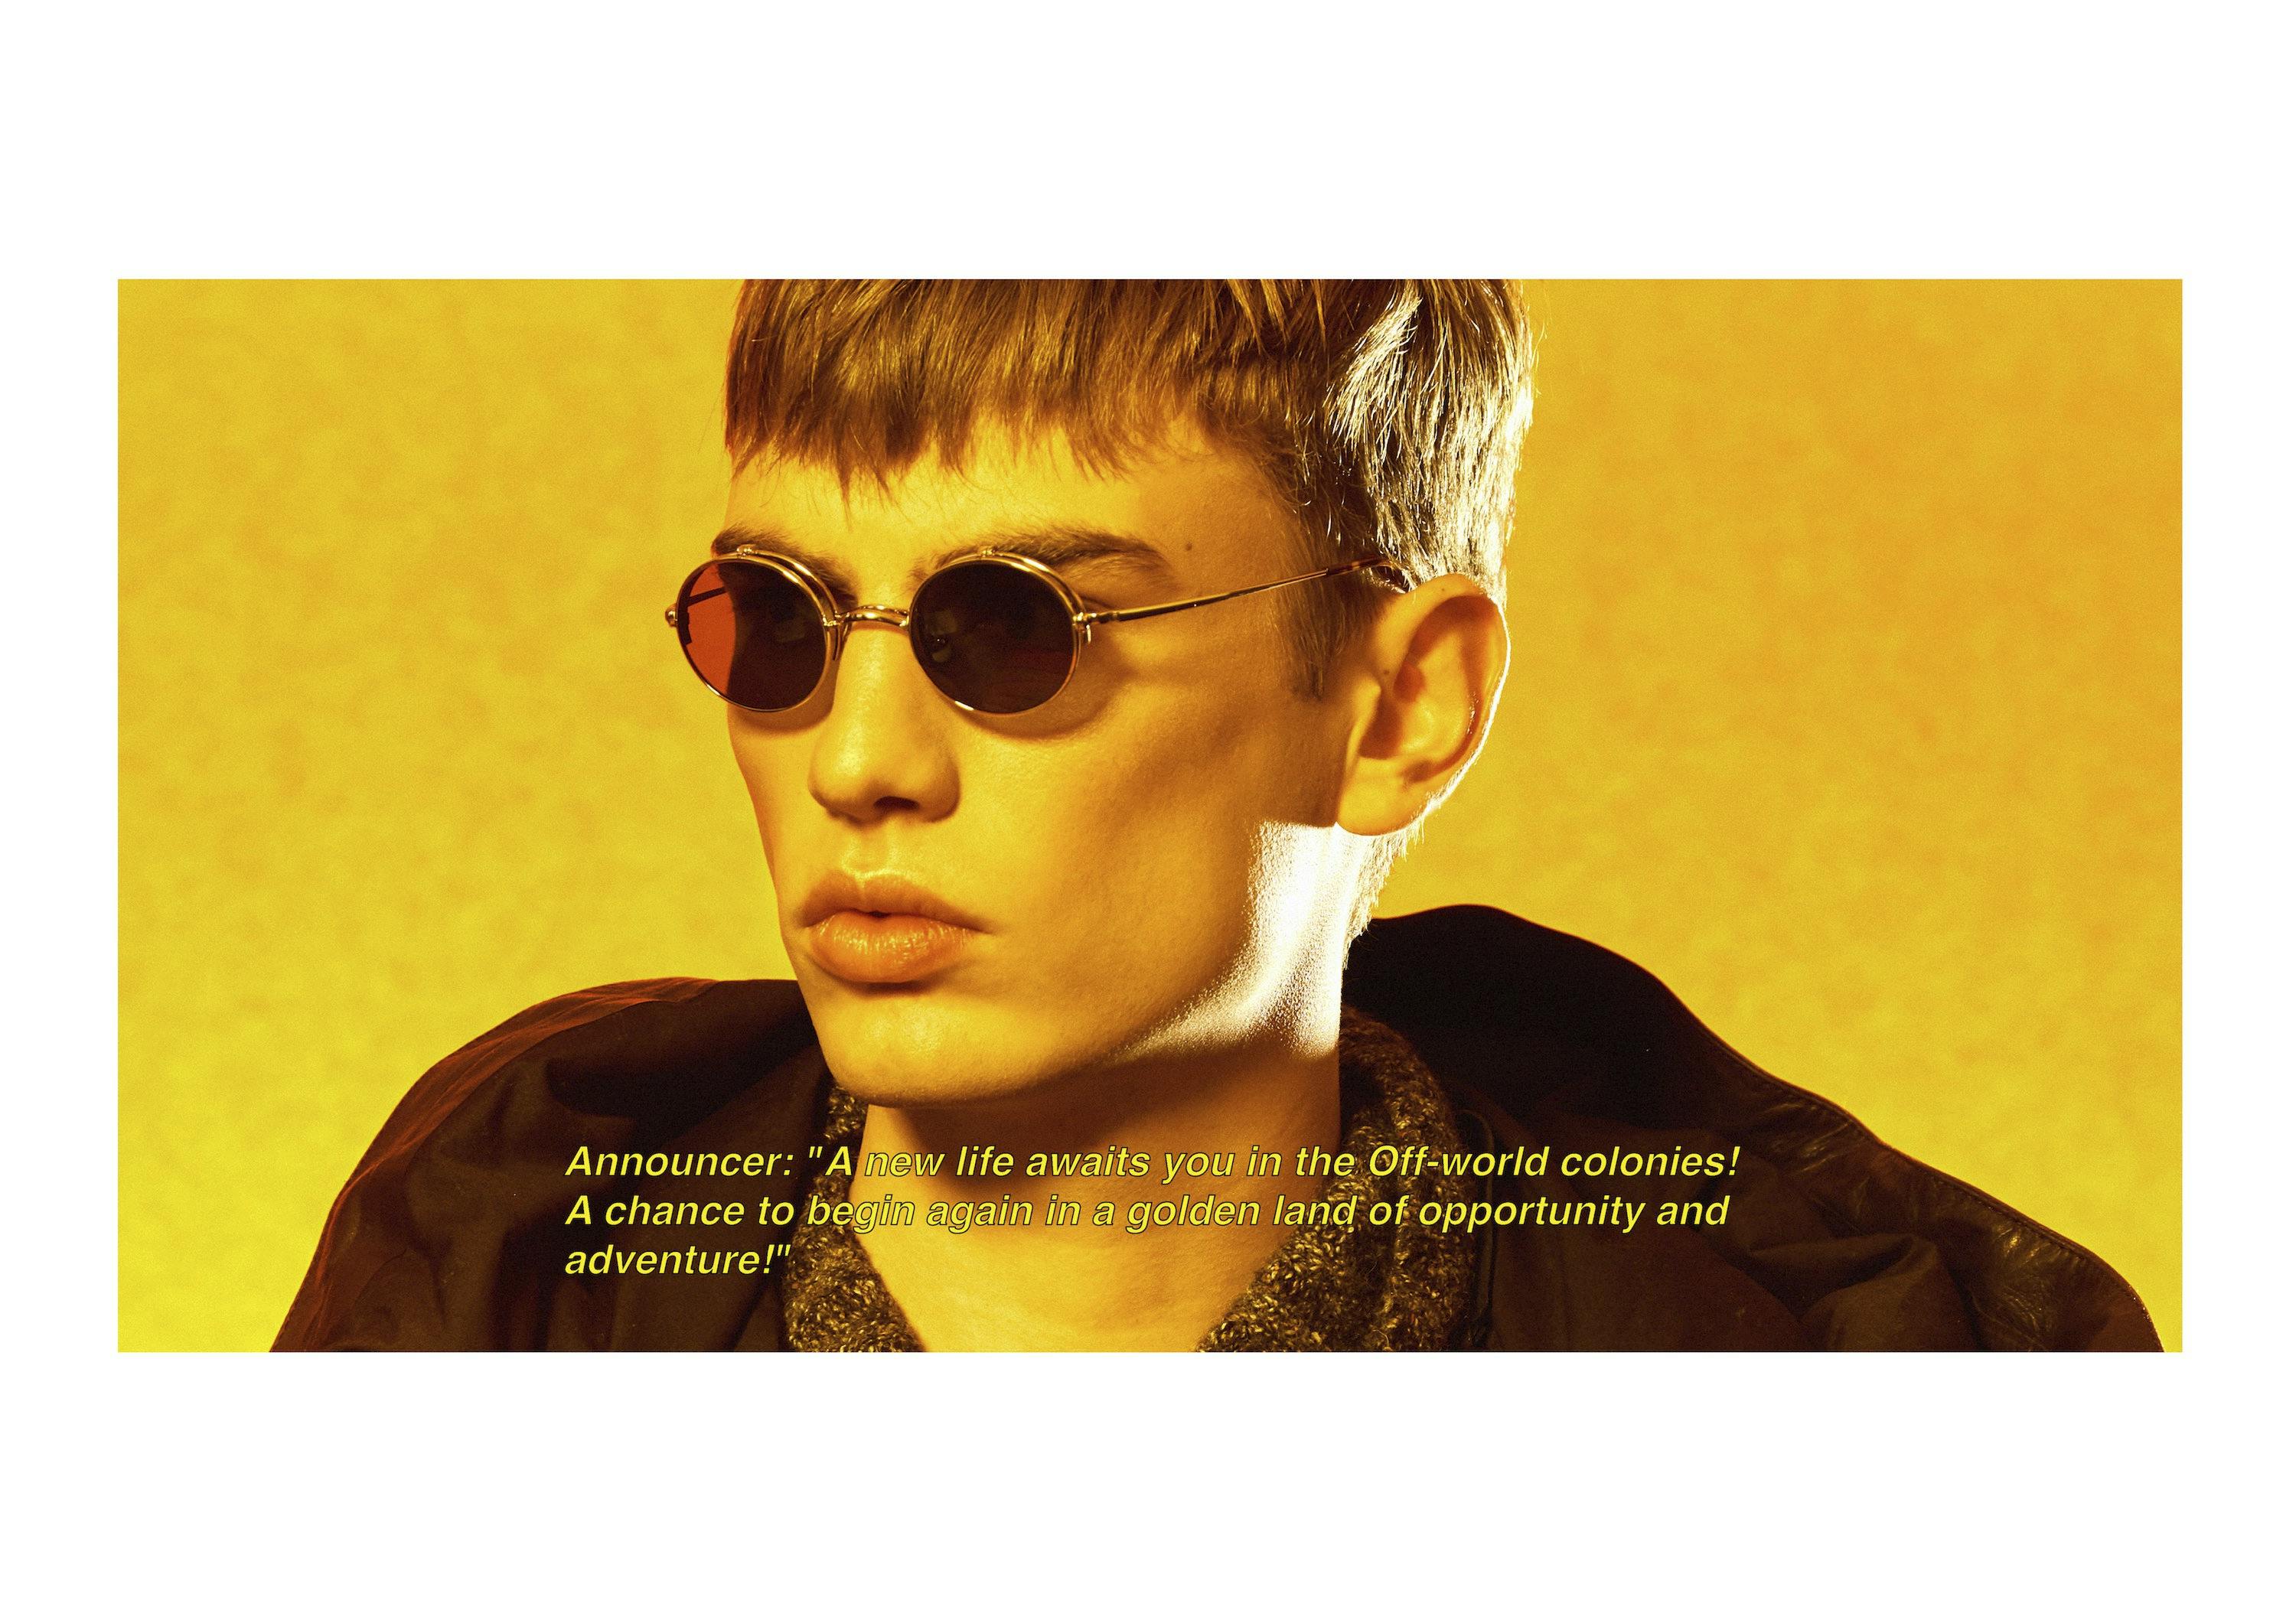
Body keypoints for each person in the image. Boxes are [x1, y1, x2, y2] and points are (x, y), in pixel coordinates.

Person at [274, 279, 2158, 1352]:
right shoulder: (486, 1281)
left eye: (1009, 630)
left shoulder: (1881, 1389)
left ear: (1401, 708)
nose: (858, 759)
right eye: (771, 621)